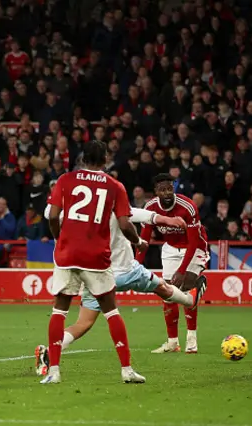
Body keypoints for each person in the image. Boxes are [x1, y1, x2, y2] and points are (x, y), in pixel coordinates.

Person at [35, 204, 207, 376]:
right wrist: (166, 220)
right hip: (126, 271)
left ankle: (49, 352)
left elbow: (49, 211)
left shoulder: (78, 213)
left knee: (83, 323)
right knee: (161, 287)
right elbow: (140, 216)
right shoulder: (111, 206)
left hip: (97, 273)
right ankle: (189, 301)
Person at [41, 140, 145, 385]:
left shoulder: (65, 180)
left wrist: (59, 239)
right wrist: (138, 241)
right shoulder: (115, 186)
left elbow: (53, 215)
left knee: (59, 310)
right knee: (111, 311)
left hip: (67, 255)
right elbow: (124, 223)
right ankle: (127, 370)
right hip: (96, 257)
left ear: (82, 158)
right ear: (106, 159)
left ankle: (54, 371)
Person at [136, 174, 210, 354]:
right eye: (163, 190)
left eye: (170, 188)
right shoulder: (150, 207)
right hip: (170, 249)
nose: (167, 193)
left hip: (195, 248)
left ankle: (191, 341)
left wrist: (183, 269)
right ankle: (172, 342)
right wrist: (135, 265)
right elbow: (144, 240)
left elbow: (193, 242)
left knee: (186, 287)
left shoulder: (188, 207)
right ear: (156, 192)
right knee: (167, 294)